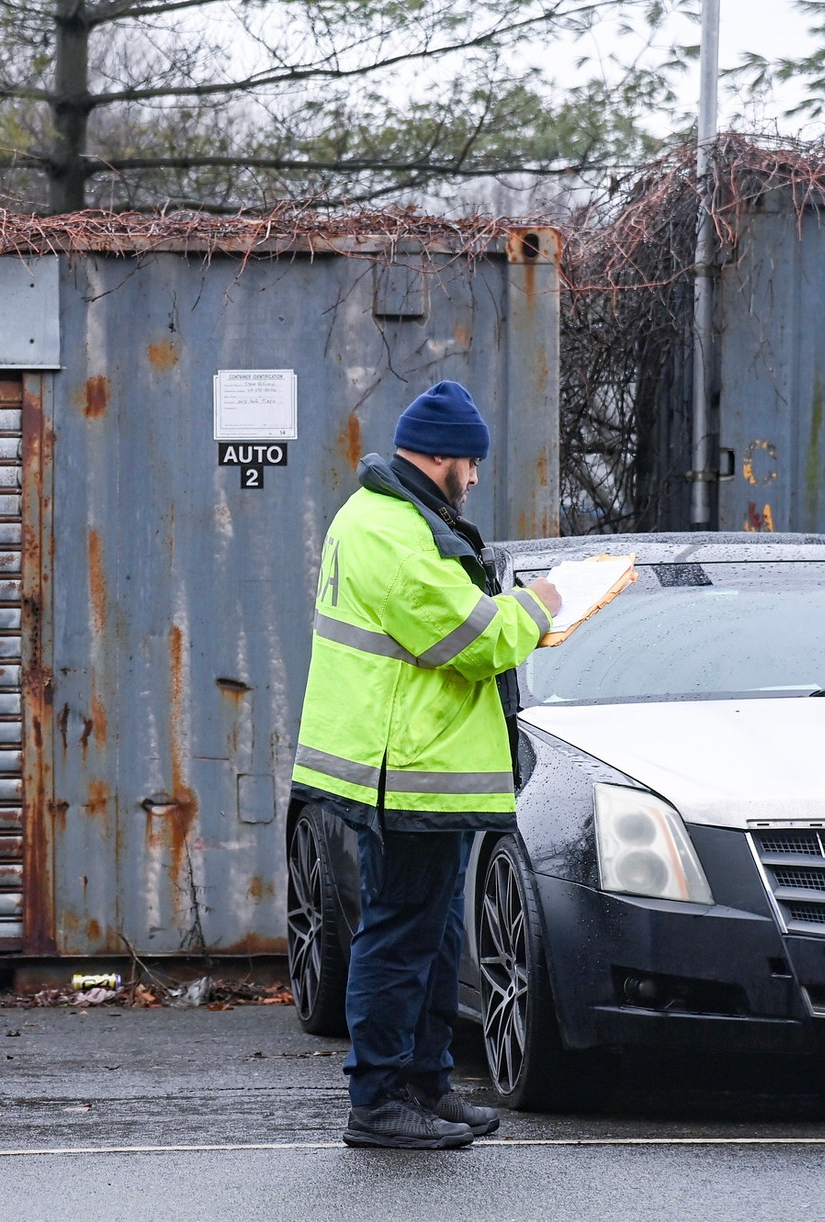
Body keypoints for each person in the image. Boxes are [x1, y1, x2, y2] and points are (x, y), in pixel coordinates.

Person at [291, 380, 562, 1150]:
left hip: (414, 767)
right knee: (400, 936)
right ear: (441, 454)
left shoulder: (394, 516)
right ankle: (378, 1101)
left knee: (435, 934)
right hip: (401, 771)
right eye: (471, 462)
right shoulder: (390, 530)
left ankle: (426, 1085)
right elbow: (472, 639)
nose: (475, 478)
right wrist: (541, 606)